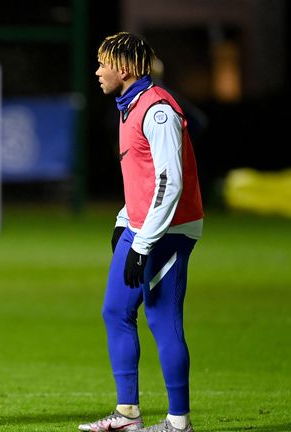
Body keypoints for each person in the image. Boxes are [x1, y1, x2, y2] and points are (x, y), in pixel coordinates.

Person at [78, 32, 204, 432]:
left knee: (162, 319)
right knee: (115, 311)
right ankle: (128, 414)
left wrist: (143, 241)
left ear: (125, 69)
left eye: (104, 64)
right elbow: (143, 178)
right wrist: (123, 220)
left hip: (169, 230)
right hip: (140, 225)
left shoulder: (158, 111)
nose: (97, 71)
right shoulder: (128, 106)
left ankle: (178, 422)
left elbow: (170, 182)